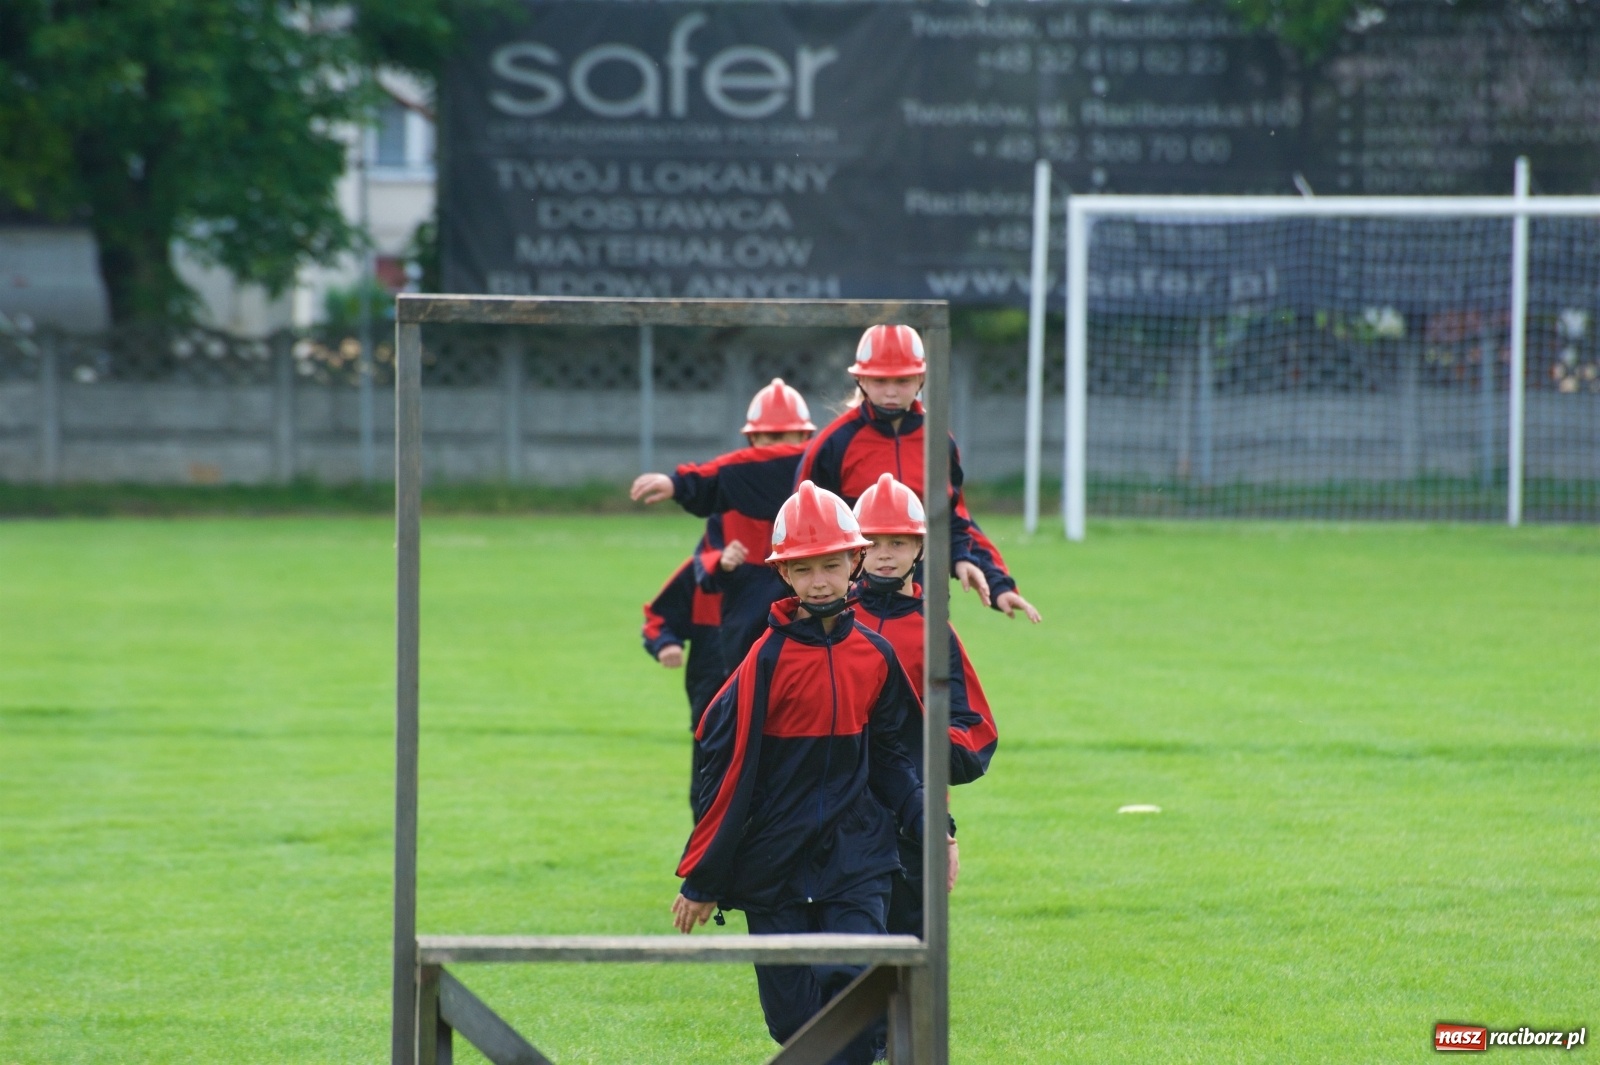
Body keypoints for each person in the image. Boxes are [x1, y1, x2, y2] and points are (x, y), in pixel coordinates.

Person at [671, 481, 926, 1065]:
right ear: (783, 575)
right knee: (793, 1024)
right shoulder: (763, 663)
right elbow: (726, 770)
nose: (820, 582)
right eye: (804, 569)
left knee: (857, 986)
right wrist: (704, 879)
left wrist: (931, 821)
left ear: (854, 562)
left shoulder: (876, 657)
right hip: (775, 865)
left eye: (832, 566)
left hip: (856, 856)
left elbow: (891, 756)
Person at [795, 323, 1042, 624]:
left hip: (924, 595)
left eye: (902, 380)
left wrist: (994, 580)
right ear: (860, 379)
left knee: (929, 670)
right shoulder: (833, 444)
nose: (890, 391)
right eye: (880, 380)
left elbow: (954, 518)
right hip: (854, 602)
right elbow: (803, 531)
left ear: (921, 379)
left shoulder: (939, 440)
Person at [851, 472, 998, 938]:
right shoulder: (832, 620)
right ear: (855, 550)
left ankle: (902, 1015)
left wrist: (919, 749)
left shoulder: (936, 630)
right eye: (873, 542)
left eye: (898, 542)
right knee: (842, 943)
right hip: (837, 810)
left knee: (909, 944)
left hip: (910, 813)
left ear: (920, 550)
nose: (885, 554)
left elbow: (976, 728)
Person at [631, 378, 817, 666]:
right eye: (770, 439)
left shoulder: (825, 505)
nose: (775, 453)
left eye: (786, 438)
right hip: (730, 641)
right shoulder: (727, 508)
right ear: (752, 441)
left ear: (805, 441)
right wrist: (722, 563)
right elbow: (699, 571)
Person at [641, 542, 726, 807]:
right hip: (710, 713)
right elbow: (657, 619)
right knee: (706, 801)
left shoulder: (787, 569)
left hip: (774, 718)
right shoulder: (702, 570)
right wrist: (666, 643)